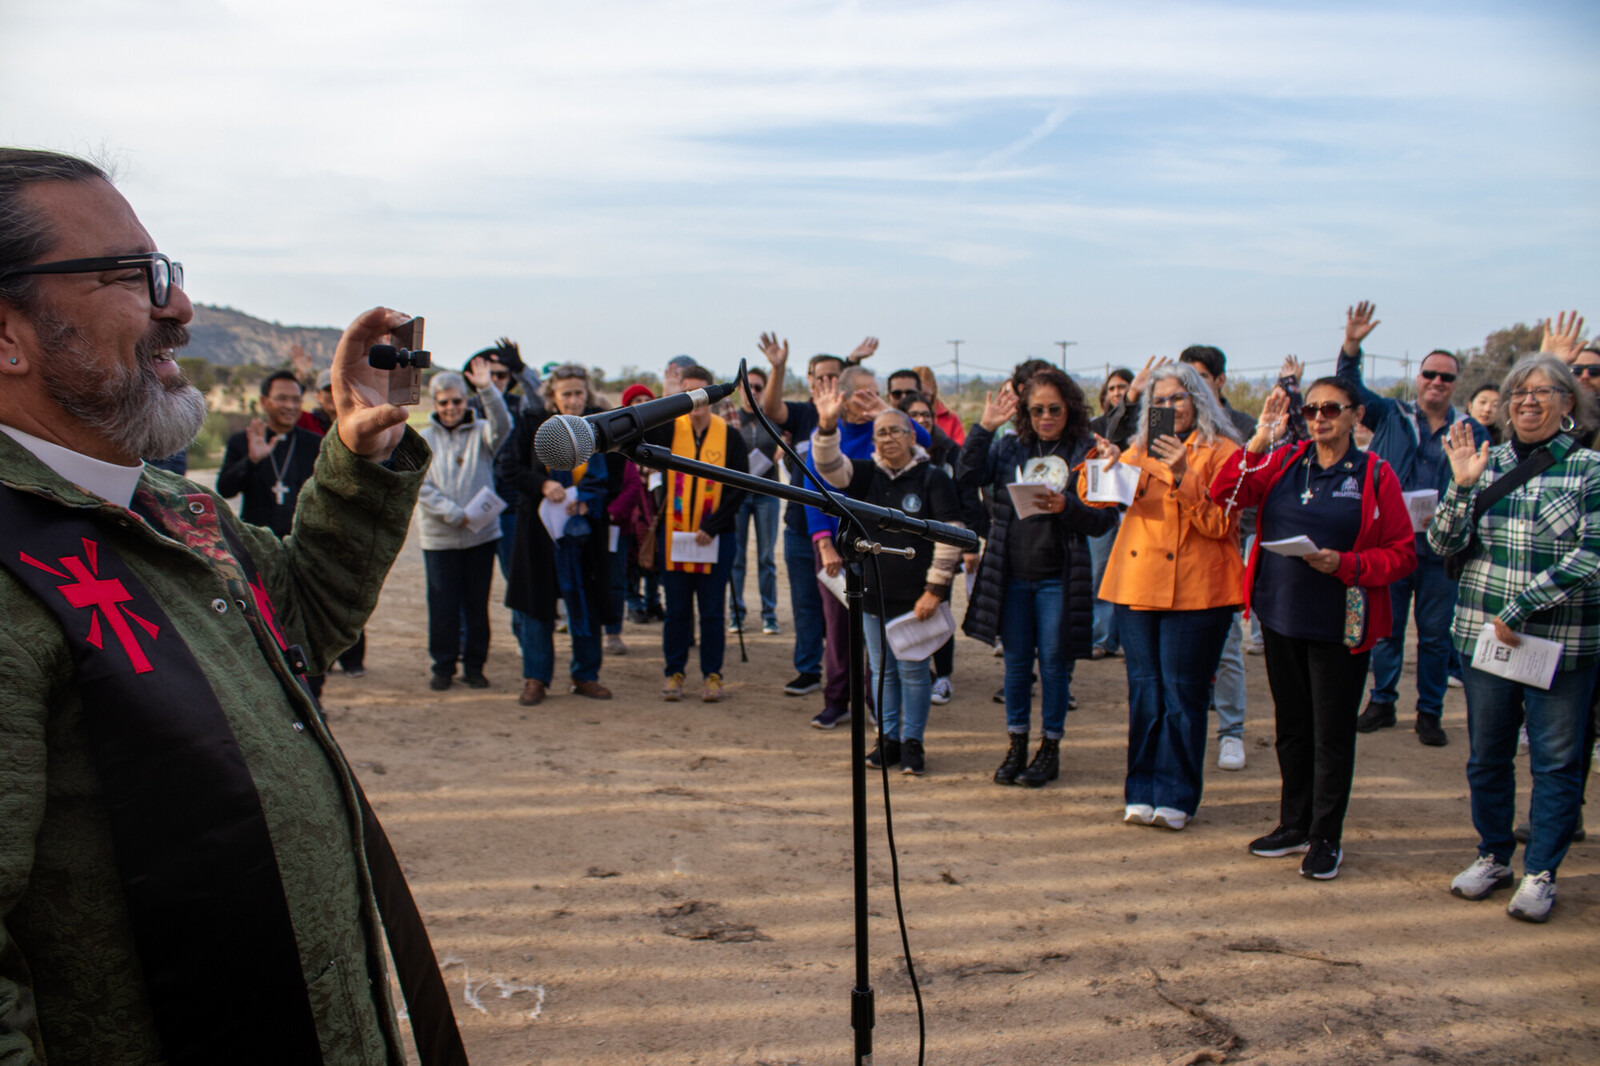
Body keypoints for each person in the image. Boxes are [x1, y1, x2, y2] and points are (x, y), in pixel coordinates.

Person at [0, 148, 456, 1062]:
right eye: (132, 277)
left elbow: (302, 623)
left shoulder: (168, 508)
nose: (178, 309)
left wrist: (358, 454)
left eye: (165, 271)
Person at [1210, 381, 1416, 879]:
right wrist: (1258, 441)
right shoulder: (1286, 460)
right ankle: (1293, 823)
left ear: (1355, 416)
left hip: (1340, 621)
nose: (1319, 417)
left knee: (1331, 732)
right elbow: (1224, 494)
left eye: (1331, 409)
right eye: (1312, 408)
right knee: (1292, 727)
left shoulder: (1373, 473)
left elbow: (1403, 552)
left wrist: (1345, 562)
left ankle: (1326, 836)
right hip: (1281, 615)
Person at [1434, 354, 1600, 923]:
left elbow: (1593, 554)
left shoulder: (1590, 469)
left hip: (1560, 643)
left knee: (1555, 761)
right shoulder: (1484, 460)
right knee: (1488, 757)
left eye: (1542, 391)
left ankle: (1541, 872)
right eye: (1518, 393)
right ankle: (1492, 855)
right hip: (1486, 640)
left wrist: (1522, 606)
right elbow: (1443, 542)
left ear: (1568, 403)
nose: (1528, 401)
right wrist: (1460, 487)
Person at [1083, 363, 1244, 830]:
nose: (1169, 408)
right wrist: (1106, 463)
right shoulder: (1137, 450)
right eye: (1160, 401)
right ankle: (1141, 790)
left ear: (1200, 400)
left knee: (1183, 695)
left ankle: (1176, 795)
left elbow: (1219, 523)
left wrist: (1181, 473)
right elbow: (1091, 497)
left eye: (1178, 398)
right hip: (1137, 585)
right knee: (1145, 693)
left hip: (1198, 592)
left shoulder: (1222, 452)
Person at [1338, 301, 1489, 747]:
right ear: (1418, 379)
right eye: (1429, 375)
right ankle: (1382, 701)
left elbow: (1480, 483)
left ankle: (1430, 711)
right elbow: (1350, 391)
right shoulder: (1391, 415)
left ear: (1455, 384)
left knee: (1436, 636)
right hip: (1393, 544)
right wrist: (1351, 347)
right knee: (1385, 629)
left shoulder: (1471, 430)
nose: (1436, 382)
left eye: (1446, 377)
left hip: (1443, 552)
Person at [961, 368, 1117, 786]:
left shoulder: (1089, 450)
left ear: (1070, 408)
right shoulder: (1010, 447)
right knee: (1014, 666)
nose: (1046, 417)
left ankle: (1050, 749)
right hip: (1010, 575)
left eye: (1054, 409)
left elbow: (1104, 521)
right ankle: (1016, 746)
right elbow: (965, 478)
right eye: (1037, 410)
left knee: (1052, 664)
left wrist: (1067, 506)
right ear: (1025, 413)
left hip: (1059, 577)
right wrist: (984, 429)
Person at [813, 388, 964, 774]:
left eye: (896, 431)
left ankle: (913, 743)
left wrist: (935, 590)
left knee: (914, 672)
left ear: (912, 436)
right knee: (881, 672)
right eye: (881, 433)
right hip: (872, 595)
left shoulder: (933, 479)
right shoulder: (865, 475)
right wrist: (828, 425)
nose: (887, 439)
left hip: (917, 598)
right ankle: (889, 739)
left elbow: (950, 534)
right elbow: (830, 469)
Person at [757, 333, 895, 705]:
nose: (828, 385)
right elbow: (772, 411)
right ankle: (820, 681)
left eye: (836, 377)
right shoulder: (808, 419)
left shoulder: (874, 426)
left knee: (867, 624)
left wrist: (881, 411)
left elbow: (919, 442)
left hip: (861, 538)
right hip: (812, 533)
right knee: (818, 614)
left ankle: (871, 697)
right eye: (820, 377)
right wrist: (777, 367)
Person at [800, 363, 934, 728]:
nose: (871, 398)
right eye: (864, 392)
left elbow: (925, 442)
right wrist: (823, 544)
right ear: (842, 396)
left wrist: (884, 413)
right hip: (836, 545)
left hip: (876, 544)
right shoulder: (826, 435)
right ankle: (836, 699)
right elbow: (813, 492)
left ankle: (877, 703)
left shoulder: (885, 430)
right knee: (839, 628)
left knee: (877, 628)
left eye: (875, 390)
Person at [500, 363, 614, 705]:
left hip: (585, 532)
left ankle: (585, 675)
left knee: (588, 603)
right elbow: (508, 467)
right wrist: (542, 483)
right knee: (537, 607)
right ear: (553, 396)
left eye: (579, 393)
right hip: (540, 533)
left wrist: (590, 499)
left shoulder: (600, 426)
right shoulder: (531, 423)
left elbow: (620, 474)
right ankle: (536, 678)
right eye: (567, 394)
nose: (574, 401)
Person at [646, 363, 749, 702]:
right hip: (675, 536)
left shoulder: (729, 436)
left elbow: (738, 487)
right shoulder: (667, 431)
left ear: (712, 396)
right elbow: (641, 439)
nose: (695, 400)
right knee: (676, 610)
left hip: (716, 538)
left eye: (700, 393)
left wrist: (713, 526)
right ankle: (673, 672)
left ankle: (712, 675)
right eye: (686, 393)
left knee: (712, 611)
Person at [1178, 345, 1258, 772]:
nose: (1189, 391)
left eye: (1200, 379)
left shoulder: (1239, 428)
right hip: (1174, 555)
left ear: (1220, 381)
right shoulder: (1167, 430)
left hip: (1223, 546)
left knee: (1226, 648)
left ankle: (1231, 732)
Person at [417, 362, 510, 690]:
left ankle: (474, 666)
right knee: (442, 605)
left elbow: (504, 424)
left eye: (457, 401)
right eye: (444, 402)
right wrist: (454, 513)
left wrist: (487, 388)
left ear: (465, 401)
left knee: (476, 605)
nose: (451, 408)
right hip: (440, 538)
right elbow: (420, 486)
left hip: (480, 536)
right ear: (435, 404)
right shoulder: (422, 440)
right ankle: (443, 666)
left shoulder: (483, 433)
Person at [902, 391, 978, 704]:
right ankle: (920, 674)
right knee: (909, 612)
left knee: (939, 610)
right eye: (914, 416)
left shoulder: (950, 452)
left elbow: (967, 499)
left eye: (926, 415)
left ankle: (943, 676)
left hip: (943, 547)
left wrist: (970, 546)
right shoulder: (896, 454)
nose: (922, 420)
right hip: (907, 548)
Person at [218, 369, 321, 533]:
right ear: (264, 401)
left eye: (296, 400)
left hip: (302, 540)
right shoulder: (241, 441)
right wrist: (251, 460)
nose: (290, 406)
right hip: (256, 541)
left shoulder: (315, 443)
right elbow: (224, 490)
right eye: (282, 399)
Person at [729, 365, 782, 635]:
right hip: (737, 494)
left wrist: (783, 449)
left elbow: (789, 442)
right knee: (736, 557)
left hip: (767, 494)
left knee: (766, 557)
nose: (752, 392)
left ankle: (769, 615)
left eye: (758, 387)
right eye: (747, 386)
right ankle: (736, 613)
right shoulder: (730, 419)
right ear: (739, 389)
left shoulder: (773, 418)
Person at [1087, 368, 1136, 661]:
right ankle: (1102, 638)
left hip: (1134, 511)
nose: (1118, 392)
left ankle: (1123, 639)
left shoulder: (1141, 428)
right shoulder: (1095, 426)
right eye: (1113, 388)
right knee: (1100, 576)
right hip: (1104, 509)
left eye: (1124, 387)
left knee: (1130, 578)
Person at [619, 383, 663, 622]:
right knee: (632, 555)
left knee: (653, 551)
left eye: (648, 401)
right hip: (633, 505)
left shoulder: (660, 433)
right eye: (637, 401)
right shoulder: (621, 437)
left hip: (655, 502)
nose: (643, 406)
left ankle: (654, 601)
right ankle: (633, 602)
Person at [913, 365, 966, 445]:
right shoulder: (899, 418)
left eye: (925, 395)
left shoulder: (950, 419)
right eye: (914, 394)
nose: (919, 399)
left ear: (933, 392)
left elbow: (959, 451)